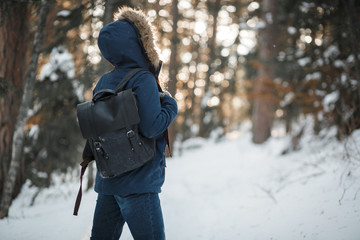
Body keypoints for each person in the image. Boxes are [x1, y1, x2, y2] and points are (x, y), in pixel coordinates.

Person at [83, 6, 178, 240]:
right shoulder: (143, 78)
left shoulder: (104, 80)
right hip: (138, 184)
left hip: (108, 184)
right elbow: (151, 127)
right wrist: (171, 106)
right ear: (140, 44)